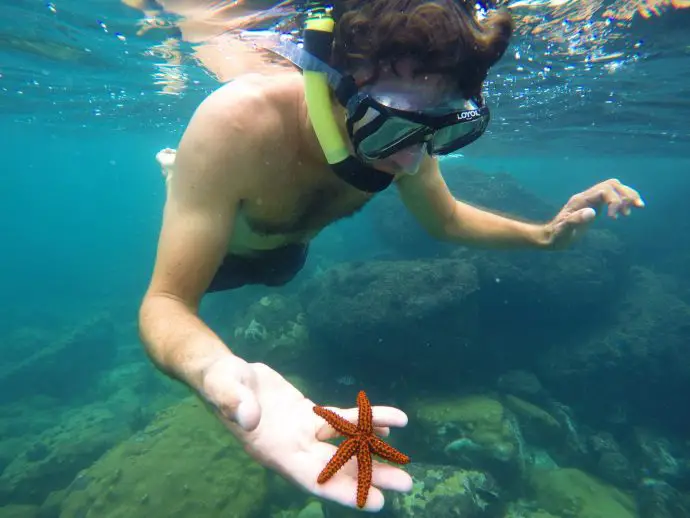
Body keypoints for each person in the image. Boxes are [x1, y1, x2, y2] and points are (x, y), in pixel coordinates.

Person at [138, 0, 645, 512]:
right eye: (390, 129)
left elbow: (444, 219)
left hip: (288, 255)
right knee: (207, 236)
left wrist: (544, 236)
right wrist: (211, 368)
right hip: (228, 255)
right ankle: (179, 177)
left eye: (443, 130)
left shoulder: (410, 135)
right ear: (331, 85)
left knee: (282, 271)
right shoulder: (238, 124)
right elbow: (166, 301)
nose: (411, 159)